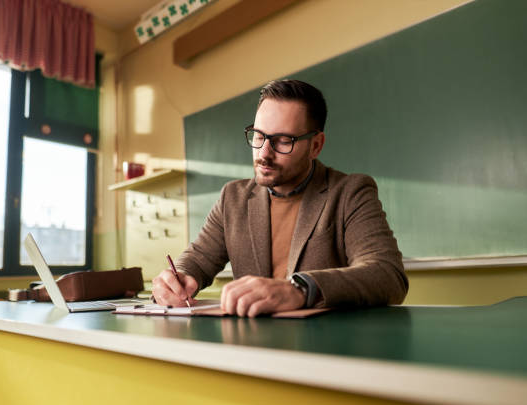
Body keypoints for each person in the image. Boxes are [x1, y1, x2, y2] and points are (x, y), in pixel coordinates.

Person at [152, 79, 408, 317]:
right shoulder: (233, 197)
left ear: (316, 146)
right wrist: (179, 278)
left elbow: (388, 274)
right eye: (259, 136)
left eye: (283, 141)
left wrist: (301, 289)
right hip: (253, 347)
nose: (264, 153)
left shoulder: (350, 192)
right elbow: (199, 259)